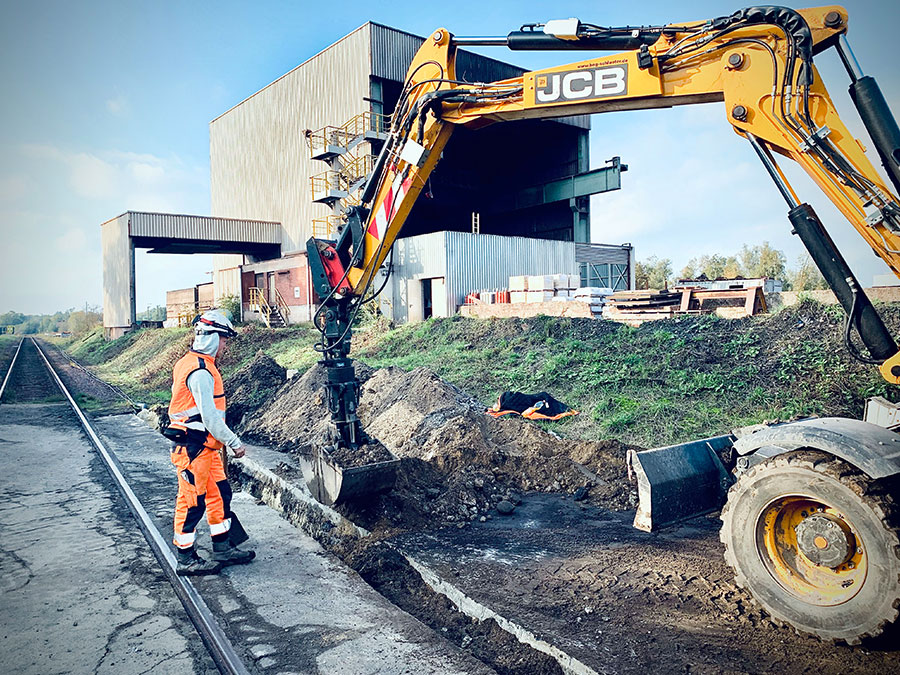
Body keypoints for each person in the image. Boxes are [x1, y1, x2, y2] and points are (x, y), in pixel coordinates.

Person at [167, 308, 255, 576]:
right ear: (213, 338)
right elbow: (211, 419)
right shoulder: (201, 372)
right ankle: (185, 557)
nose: (226, 346)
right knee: (192, 502)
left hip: (206, 449)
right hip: (193, 449)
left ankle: (222, 547)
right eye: (225, 340)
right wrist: (234, 442)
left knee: (220, 495)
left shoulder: (196, 364)